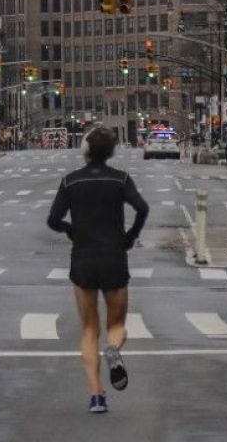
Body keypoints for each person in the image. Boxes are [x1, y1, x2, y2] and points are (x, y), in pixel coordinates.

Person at [46, 126, 149, 414]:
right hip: (114, 257)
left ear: (85, 150)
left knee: (89, 329)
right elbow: (142, 208)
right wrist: (130, 236)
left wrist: (70, 229)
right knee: (116, 326)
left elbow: (53, 220)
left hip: (83, 259)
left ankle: (97, 395)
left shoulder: (70, 182)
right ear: (111, 152)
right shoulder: (120, 180)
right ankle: (113, 348)